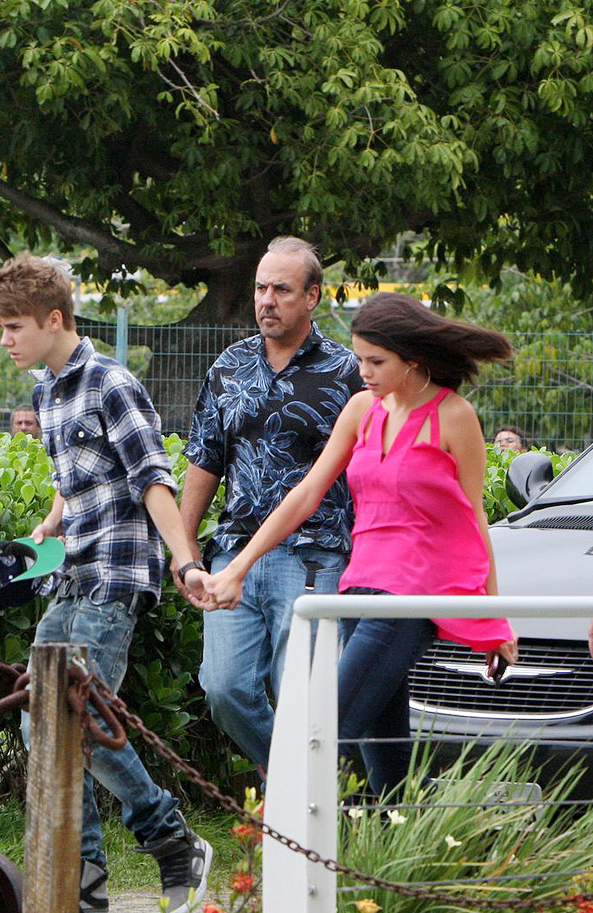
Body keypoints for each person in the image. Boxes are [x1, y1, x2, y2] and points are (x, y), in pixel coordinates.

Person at [205, 292, 519, 798]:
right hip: (359, 589)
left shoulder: (454, 415)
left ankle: (320, 857)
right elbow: (305, 494)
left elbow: (473, 518)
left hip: (412, 597)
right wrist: (238, 566)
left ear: (412, 361)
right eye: (359, 358)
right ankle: (392, 866)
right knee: (383, 748)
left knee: (327, 730)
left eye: (376, 361)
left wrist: (494, 615)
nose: (363, 370)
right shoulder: (360, 409)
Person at [0, 253, 215, 913]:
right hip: (70, 570)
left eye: (14, 325)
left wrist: (185, 560)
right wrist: (49, 525)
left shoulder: (111, 383)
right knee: (40, 719)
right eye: (1, 326)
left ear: (54, 320)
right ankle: (86, 880)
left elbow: (151, 477)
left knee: (79, 716)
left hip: (117, 577)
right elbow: (75, 475)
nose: (5, 338)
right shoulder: (47, 391)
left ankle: (172, 841)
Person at [172, 236, 361, 774]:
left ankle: (305, 811)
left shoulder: (347, 374)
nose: (266, 300)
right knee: (223, 689)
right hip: (231, 556)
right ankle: (301, 785)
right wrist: (184, 546)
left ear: (313, 296)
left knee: (304, 697)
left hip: (312, 557)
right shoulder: (229, 366)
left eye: (281, 288)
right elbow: (205, 459)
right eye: (260, 287)